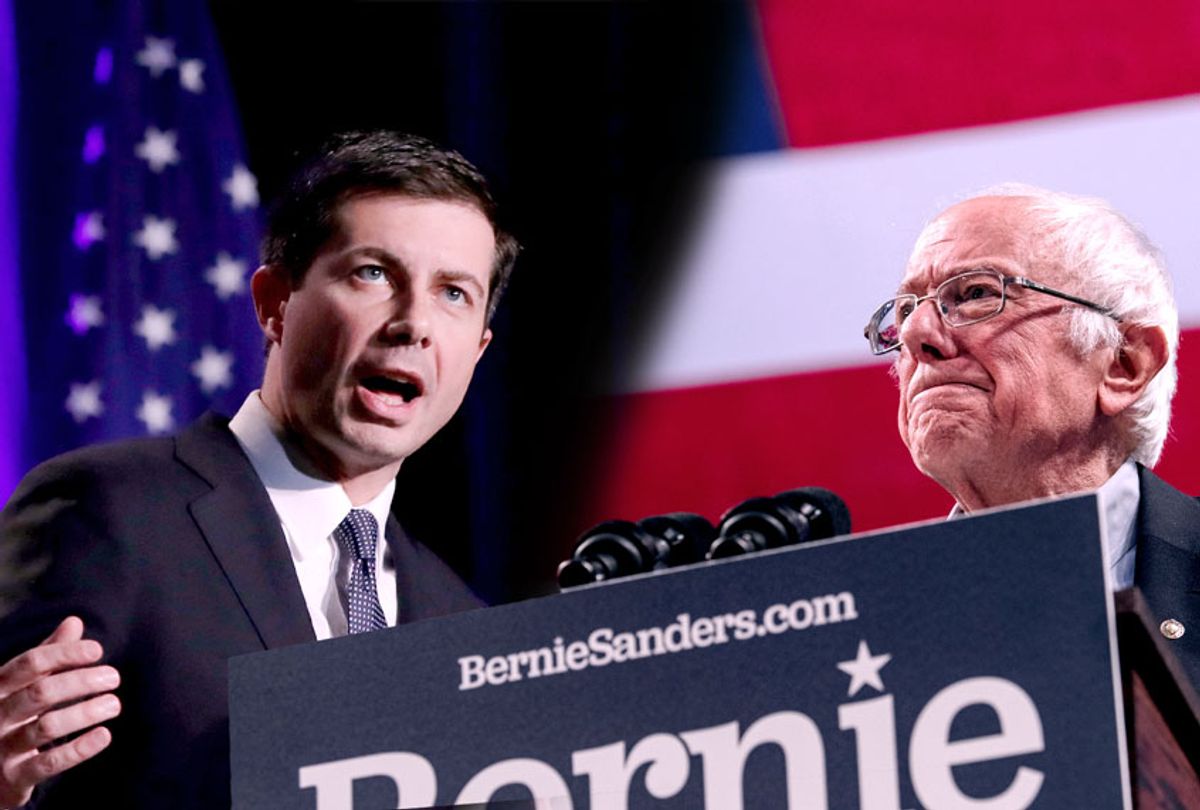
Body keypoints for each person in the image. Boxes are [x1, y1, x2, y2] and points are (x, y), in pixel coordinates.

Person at [0, 131, 519, 808]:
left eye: (454, 293)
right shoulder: (109, 513)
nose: (413, 322)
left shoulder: (460, 623)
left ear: (477, 350)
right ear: (275, 302)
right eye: (373, 274)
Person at [863, 184, 1199, 689]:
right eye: (908, 310)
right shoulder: (858, 626)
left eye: (975, 293)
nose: (915, 335)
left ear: (1123, 364)